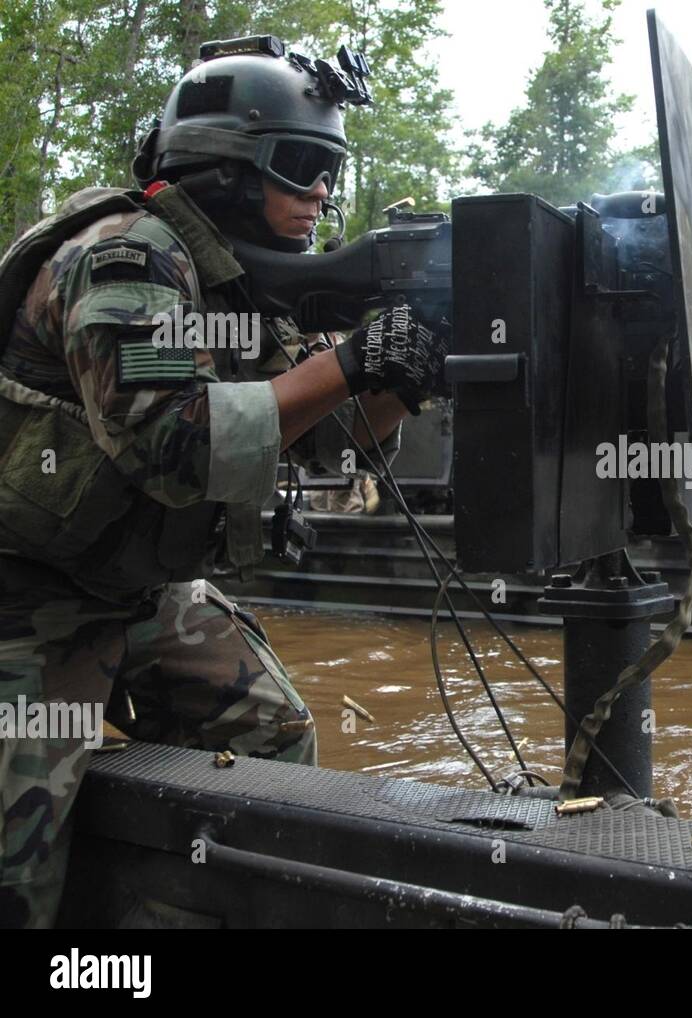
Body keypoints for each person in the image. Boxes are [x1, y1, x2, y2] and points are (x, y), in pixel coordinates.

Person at [0, 38, 439, 928]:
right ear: (227, 166)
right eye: (302, 166)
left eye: (331, 172)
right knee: (16, 874)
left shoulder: (232, 284)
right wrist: (349, 360)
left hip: (135, 590)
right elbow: (175, 444)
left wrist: (399, 376)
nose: (322, 193)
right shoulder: (130, 258)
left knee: (271, 742)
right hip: (23, 595)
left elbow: (325, 438)